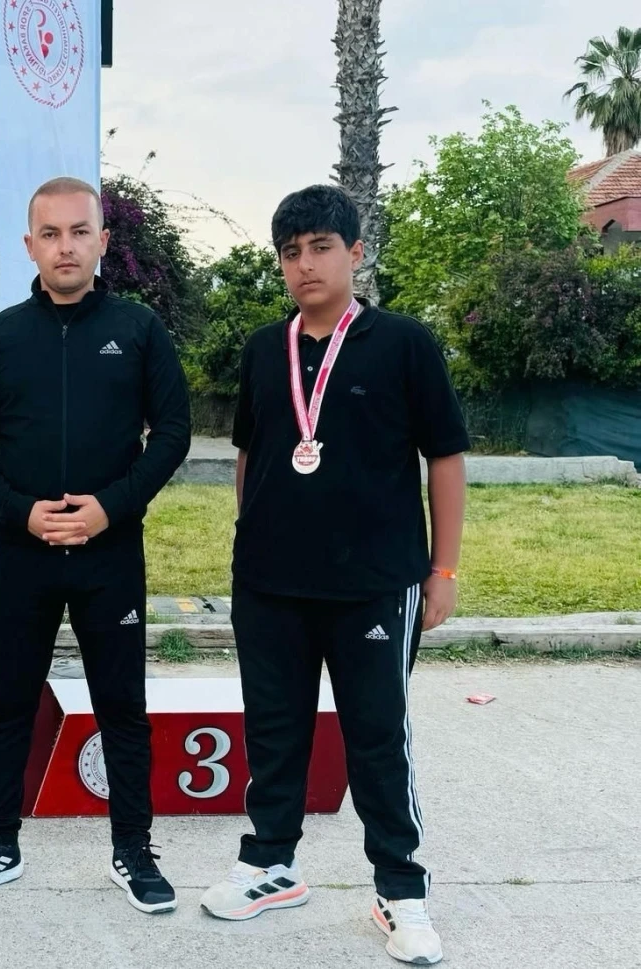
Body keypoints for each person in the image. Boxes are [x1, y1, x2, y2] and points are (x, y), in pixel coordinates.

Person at [199, 184, 467, 966]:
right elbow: (250, 453)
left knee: (376, 735)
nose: (305, 265)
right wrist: (253, 540)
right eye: (290, 252)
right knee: (273, 728)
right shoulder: (263, 348)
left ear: (355, 252)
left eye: (320, 247)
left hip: (376, 583)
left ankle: (400, 886)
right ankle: (270, 863)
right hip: (270, 584)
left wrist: (443, 568)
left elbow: (445, 457)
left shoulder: (404, 343)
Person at [0, 176, 191, 914]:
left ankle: (133, 849)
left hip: (109, 555)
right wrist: (21, 514)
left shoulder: (139, 329)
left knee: (123, 706)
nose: (66, 247)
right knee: (10, 704)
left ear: (103, 241)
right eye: (50, 234)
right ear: (29, 245)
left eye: (79, 232)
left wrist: (110, 508)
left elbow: (172, 433)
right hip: (23, 555)